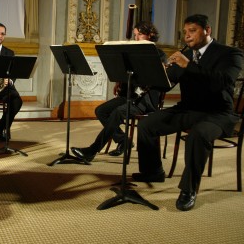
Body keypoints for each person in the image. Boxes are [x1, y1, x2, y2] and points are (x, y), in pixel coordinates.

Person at [132, 14, 243, 211]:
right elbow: (166, 84)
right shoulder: (186, 53)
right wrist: (155, 73)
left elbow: (223, 82)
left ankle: (189, 190)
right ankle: (153, 171)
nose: (187, 36)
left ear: (207, 31)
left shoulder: (230, 54)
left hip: (217, 113)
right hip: (188, 109)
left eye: (192, 31)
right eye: (185, 32)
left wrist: (188, 65)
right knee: (147, 124)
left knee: (198, 135)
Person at [71, 21, 167, 162]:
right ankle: (123, 140)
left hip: (145, 100)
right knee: (101, 111)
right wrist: (120, 80)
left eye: (140, 35)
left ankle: (92, 150)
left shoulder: (159, 54)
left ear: (150, 35)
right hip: (130, 96)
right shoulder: (133, 52)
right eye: (135, 35)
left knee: (117, 112)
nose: (136, 38)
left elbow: (158, 80)